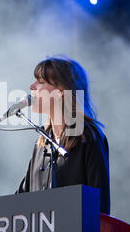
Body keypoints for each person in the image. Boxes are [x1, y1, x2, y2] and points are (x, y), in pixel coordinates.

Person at [16, 56, 110, 216]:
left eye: (40, 81)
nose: (31, 87)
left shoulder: (89, 137)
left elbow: (99, 207)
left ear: (61, 91)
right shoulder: (42, 143)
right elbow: (20, 201)